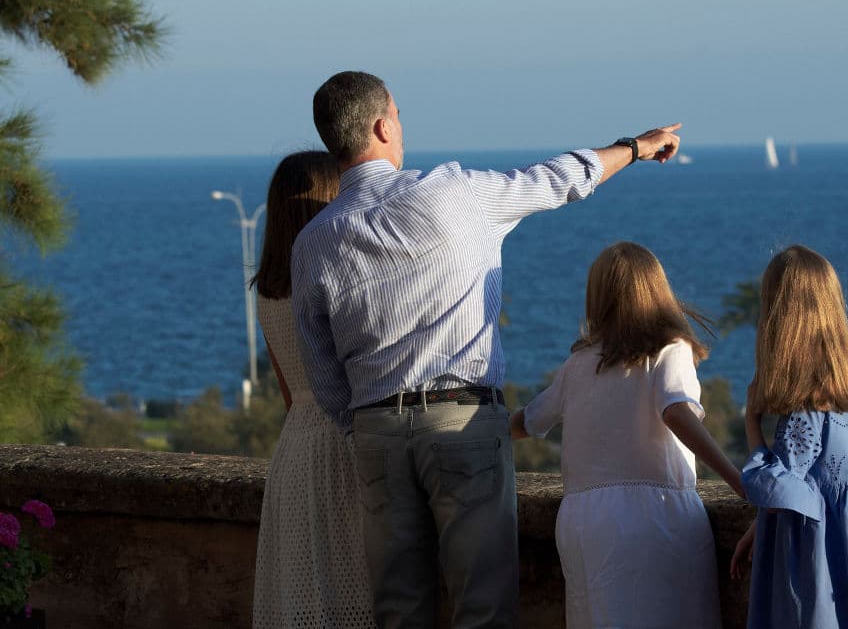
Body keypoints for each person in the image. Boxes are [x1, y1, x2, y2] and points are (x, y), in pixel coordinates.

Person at [290, 70, 682, 628]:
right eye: (398, 114)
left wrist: (366, 426)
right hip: (461, 422)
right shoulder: (452, 193)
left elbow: (322, 369)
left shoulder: (313, 243)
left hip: (374, 430)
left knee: (399, 612)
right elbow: (555, 180)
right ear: (381, 125)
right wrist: (635, 148)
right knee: (484, 607)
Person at [508, 241, 745, 628]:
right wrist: (737, 479)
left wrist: (468, 434)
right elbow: (676, 411)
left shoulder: (578, 364)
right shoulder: (670, 350)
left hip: (582, 522)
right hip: (654, 516)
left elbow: (527, 422)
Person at [729, 245, 848, 629]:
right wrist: (758, 526)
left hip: (815, 562)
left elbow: (782, 495)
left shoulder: (805, 409)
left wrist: (752, 423)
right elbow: (819, 479)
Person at [250, 151, 375, 629]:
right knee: (356, 593)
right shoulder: (333, 277)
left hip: (294, 453)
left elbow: (288, 392)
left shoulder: (267, 291)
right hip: (344, 442)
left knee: (306, 597)